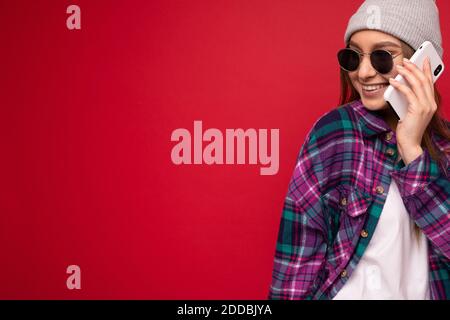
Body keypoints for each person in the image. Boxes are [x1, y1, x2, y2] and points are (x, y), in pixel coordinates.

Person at [268, 0, 450, 300]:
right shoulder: (335, 133)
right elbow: (297, 260)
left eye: (381, 56)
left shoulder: (444, 147)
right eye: (354, 57)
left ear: (423, 61)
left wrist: (412, 150)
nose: (364, 73)